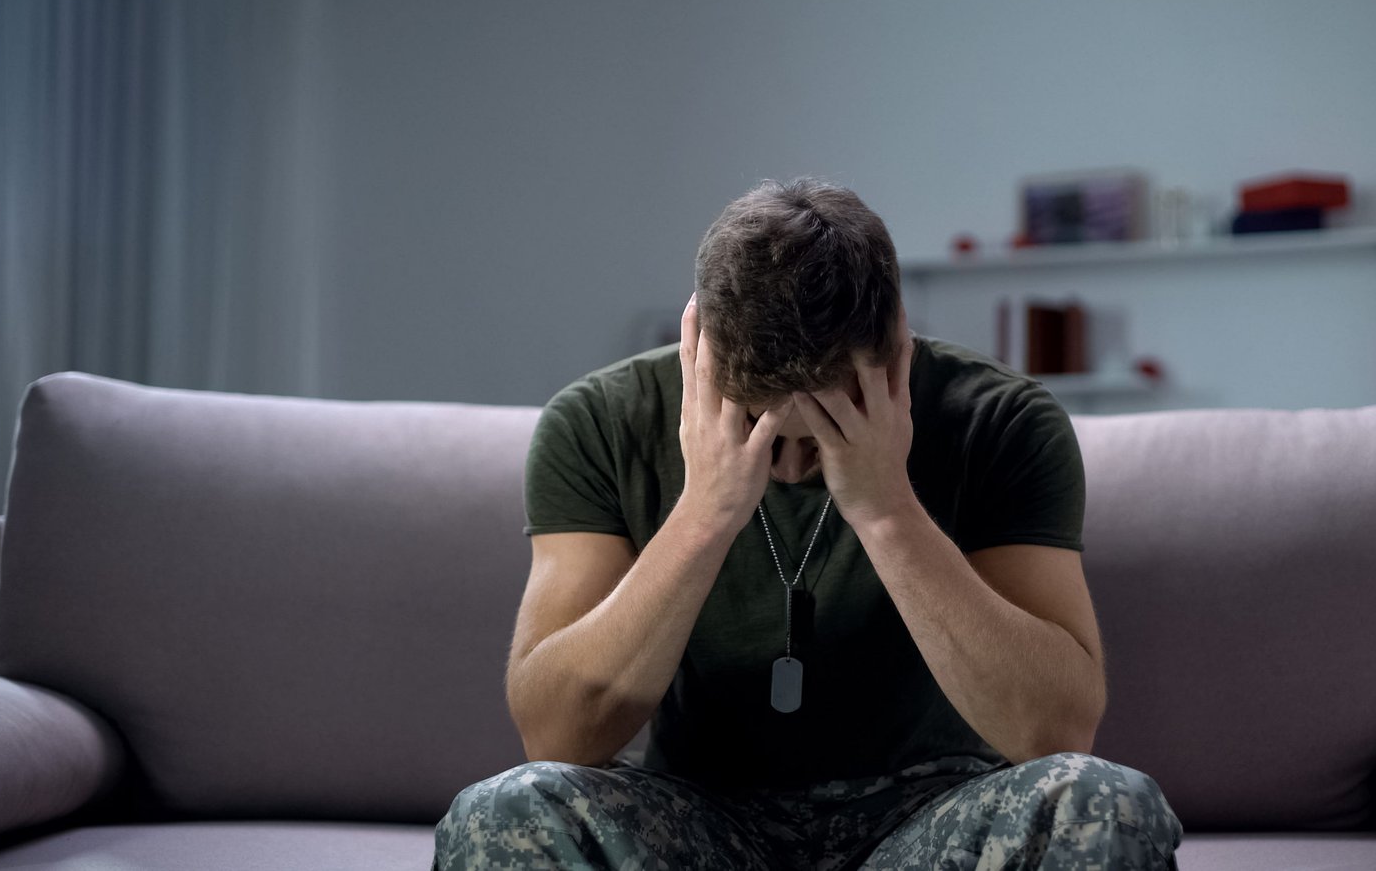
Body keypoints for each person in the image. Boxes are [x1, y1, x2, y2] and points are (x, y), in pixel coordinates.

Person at [433, 178, 1182, 870]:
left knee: (1105, 801)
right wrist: (706, 512)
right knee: (502, 811)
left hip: (929, 815)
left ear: (897, 348)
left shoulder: (1003, 421)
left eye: (829, 427)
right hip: (703, 815)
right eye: (755, 426)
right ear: (699, 347)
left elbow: (1055, 733)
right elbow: (557, 736)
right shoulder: (597, 422)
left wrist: (886, 509)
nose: (789, 466)